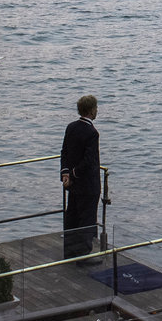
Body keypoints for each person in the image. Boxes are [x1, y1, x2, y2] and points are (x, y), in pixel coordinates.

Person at [61, 94, 101, 256]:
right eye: (96, 108)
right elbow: (89, 160)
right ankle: (84, 255)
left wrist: (66, 173)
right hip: (87, 184)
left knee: (72, 216)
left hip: (73, 185)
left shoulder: (71, 127)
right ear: (91, 110)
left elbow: (64, 152)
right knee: (87, 219)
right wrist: (74, 174)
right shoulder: (92, 133)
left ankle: (69, 251)